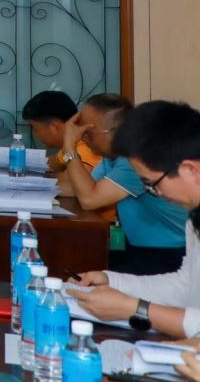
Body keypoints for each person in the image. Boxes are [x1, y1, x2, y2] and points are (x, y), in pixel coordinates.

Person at [67, 101, 200, 337]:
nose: (156, 193)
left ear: (191, 170)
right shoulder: (194, 217)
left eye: (151, 183)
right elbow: (185, 285)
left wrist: (136, 309)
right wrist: (111, 281)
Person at [58, 95, 187, 275]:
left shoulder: (135, 159)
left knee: (83, 270)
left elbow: (89, 199)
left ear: (117, 132)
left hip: (168, 254)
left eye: (88, 133)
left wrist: (70, 148)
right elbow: (79, 189)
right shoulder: (113, 157)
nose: (83, 139)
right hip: (138, 247)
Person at [22, 90, 84, 175]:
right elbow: (54, 162)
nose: (35, 134)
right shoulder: (70, 146)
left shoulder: (84, 148)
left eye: (35, 128)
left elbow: (69, 182)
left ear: (54, 127)